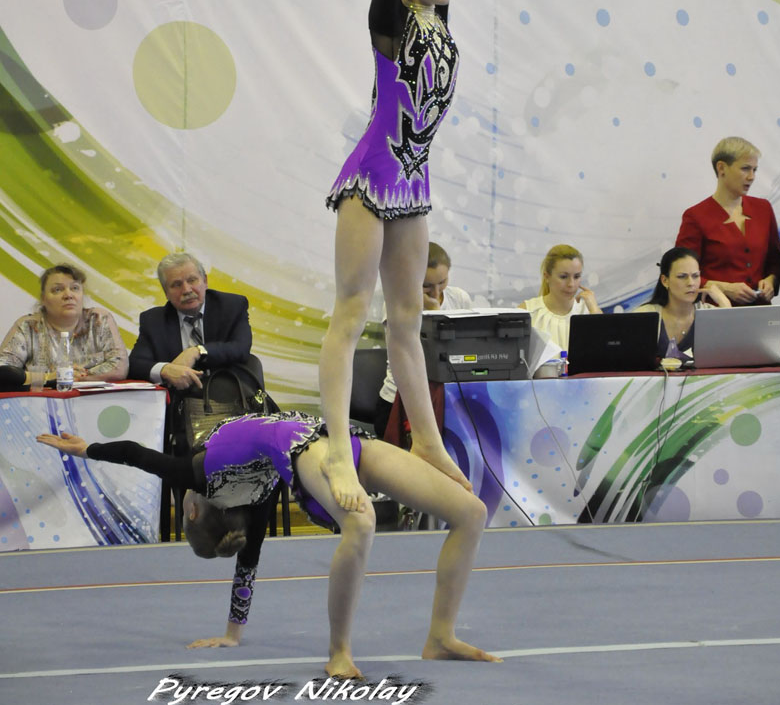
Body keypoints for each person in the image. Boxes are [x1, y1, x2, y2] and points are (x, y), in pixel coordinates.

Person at [36, 414, 498, 679]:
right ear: (192, 511)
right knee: (361, 523)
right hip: (316, 447)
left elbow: (247, 568)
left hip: (338, 440)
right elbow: (137, 455)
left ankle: (440, 638)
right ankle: (339, 652)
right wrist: (88, 449)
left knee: (471, 513)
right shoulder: (207, 479)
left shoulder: (248, 497)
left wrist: (233, 633)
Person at [312, 0, 471, 515]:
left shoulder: (440, 20)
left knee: (407, 321)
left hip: (414, 185)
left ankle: (427, 443)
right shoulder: (391, 19)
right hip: (372, 179)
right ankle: (338, 448)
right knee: (352, 313)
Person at [374, 241, 472, 438]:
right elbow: (420, 355)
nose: (436, 293)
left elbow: (464, 350)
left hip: (449, 397)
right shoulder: (398, 301)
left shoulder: (459, 298)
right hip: (400, 402)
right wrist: (433, 311)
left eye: (442, 282)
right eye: (426, 286)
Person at [675, 137, 780, 305]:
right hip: (716, 311)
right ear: (721, 168)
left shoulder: (764, 209)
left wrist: (771, 280)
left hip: (761, 310)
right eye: (745, 169)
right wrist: (724, 288)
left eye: (755, 170)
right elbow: (681, 273)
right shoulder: (695, 216)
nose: (752, 177)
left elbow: (775, 261)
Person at [128, 252, 251, 390]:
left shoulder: (231, 306)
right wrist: (165, 369)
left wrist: (197, 351)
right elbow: (135, 364)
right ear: (166, 293)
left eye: (192, 280)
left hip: (228, 394)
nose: (186, 290)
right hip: (179, 399)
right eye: (176, 284)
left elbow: (240, 348)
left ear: (205, 281)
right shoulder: (154, 321)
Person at [0, 263, 127, 390]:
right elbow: (3, 370)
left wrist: (75, 376)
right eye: (57, 290)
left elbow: (119, 367)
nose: (68, 295)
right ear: (43, 299)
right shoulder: (28, 326)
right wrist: (49, 377)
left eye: (75, 288)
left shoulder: (99, 319)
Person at [636, 246, 731, 363]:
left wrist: (725, 303)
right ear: (665, 280)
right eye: (682, 276)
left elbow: (732, 353)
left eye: (695, 276)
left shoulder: (711, 314)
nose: (691, 283)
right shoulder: (643, 315)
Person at [521, 244, 602, 352]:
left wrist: (594, 310)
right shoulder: (527, 312)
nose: (571, 284)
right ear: (547, 276)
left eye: (577, 276)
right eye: (563, 277)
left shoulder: (589, 312)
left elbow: (607, 353)